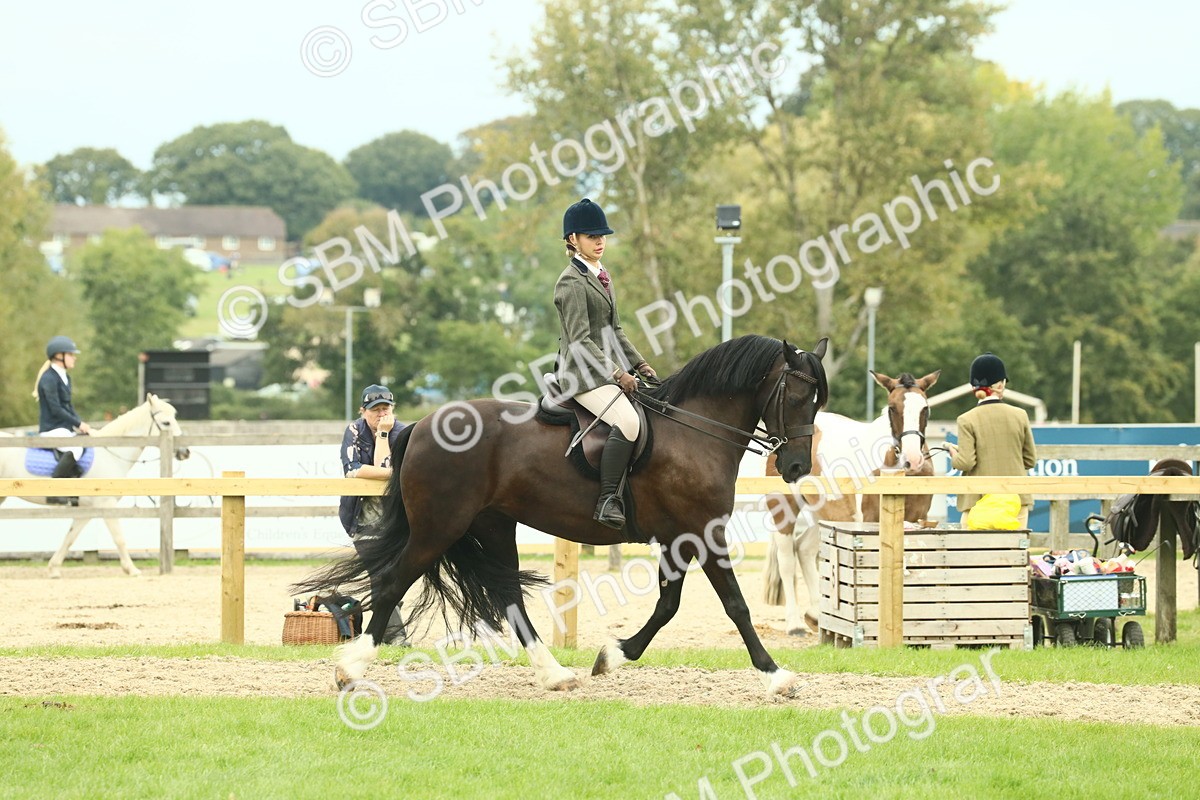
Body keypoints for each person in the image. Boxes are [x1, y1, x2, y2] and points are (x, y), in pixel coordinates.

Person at [553, 198, 656, 529]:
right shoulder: (571, 281)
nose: (600, 242)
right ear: (573, 240)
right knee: (628, 422)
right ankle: (608, 500)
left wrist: (641, 366)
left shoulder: (600, 276)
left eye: (602, 236)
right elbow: (581, 341)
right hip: (580, 374)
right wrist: (618, 373)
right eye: (591, 236)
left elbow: (615, 332)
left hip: (602, 371)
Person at [339, 383, 409, 645]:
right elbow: (353, 470)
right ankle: (396, 638)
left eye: (385, 409)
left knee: (389, 577)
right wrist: (395, 474)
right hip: (360, 516)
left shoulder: (402, 433)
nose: (381, 415)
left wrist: (383, 436)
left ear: (393, 409)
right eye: (375, 410)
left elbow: (374, 469)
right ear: (363, 410)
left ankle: (379, 635)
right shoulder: (355, 429)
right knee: (380, 575)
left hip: (395, 518)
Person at [946, 353, 1038, 528]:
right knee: (1014, 552)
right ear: (1001, 384)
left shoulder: (966, 419)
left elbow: (965, 462)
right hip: (1015, 500)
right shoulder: (1020, 415)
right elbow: (1030, 460)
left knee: (973, 553)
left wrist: (953, 453)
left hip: (978, 502)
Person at [33, 335, 91, 505]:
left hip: (64, 427)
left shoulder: (66, 377)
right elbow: (56, 409)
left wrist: (80, 424)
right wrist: (77, 423)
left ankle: (73, 491)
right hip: (51, 428)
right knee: (76, 448)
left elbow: (68, 406)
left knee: (85, 442)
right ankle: (53, 490)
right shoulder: (48, 378)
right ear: (59, 356)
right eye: (71, 354)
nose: (74, 358)